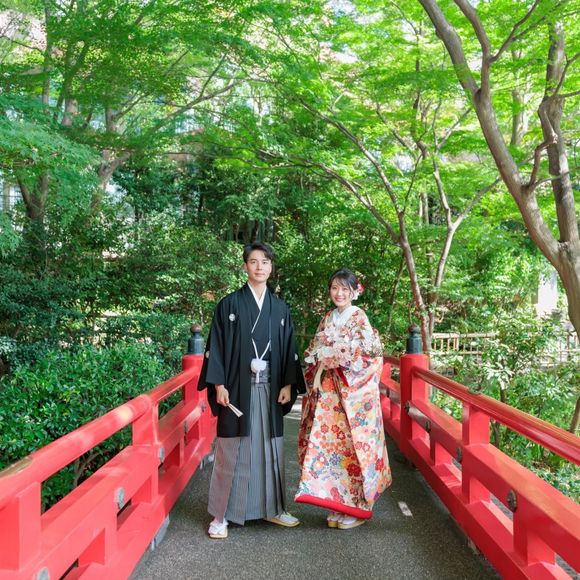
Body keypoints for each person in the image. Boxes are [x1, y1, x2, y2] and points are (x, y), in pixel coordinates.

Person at [198, 241, 305, 539]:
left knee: (271, 448)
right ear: (245, 265)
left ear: (271, 267)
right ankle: (221, 515)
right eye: (254, 261)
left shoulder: (279, 308)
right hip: (236, 388)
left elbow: (289, 349)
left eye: (265, 262)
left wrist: (287, 383)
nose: (260, 267)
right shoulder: (229, 304)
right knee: (232, 449)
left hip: (270, 388)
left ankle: (273, 508)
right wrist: (218, 384)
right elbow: (216, 346)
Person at [295, 268, 391, 529]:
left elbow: (371, 356)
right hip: (328, 396)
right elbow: (313, 350)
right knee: (330, 449)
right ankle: (337, 503)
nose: (339, 293)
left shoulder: (359, 318)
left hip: (352, 397)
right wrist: (320, 357)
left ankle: (358, 507)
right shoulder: (328, 317)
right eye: (334, 288)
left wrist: (343, 359)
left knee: (353, 448)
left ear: (354, 292)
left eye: (344, 289)